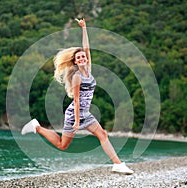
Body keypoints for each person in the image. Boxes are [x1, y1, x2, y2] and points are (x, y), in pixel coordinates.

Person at [21, 18, 133, 175]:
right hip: (75, 114)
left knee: (102, 135)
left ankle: (118, 164)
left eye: (83, 57)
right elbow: (76, 99)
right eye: (79, 58)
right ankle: (37, 127)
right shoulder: (77, 76)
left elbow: (87, 48)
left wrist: (84, 28)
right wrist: (78, 121)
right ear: (75, 61)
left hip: (85, 113)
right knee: (62, 145)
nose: (82, 58)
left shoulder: (88, 69)